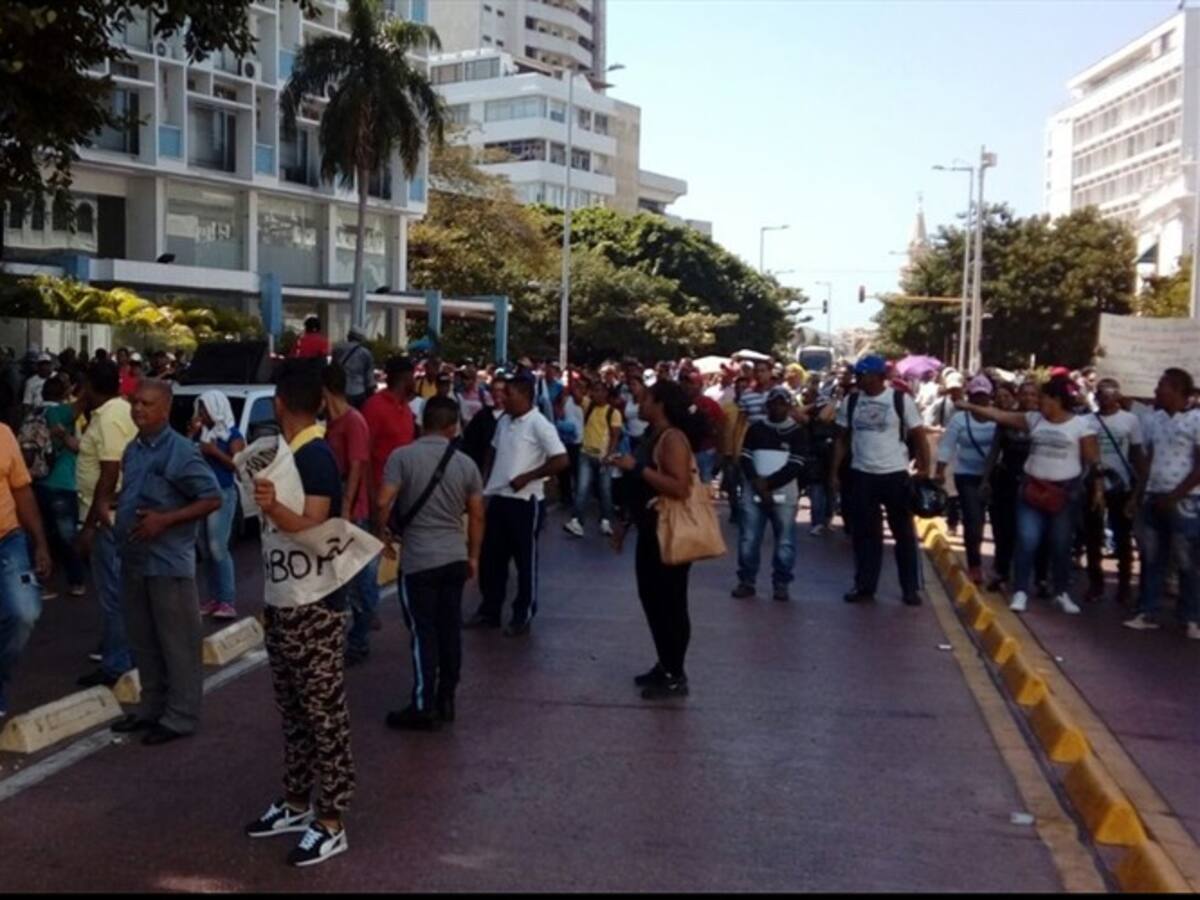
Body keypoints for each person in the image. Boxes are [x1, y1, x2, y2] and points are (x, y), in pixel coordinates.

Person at [245, 360, 355, 867]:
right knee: (293, 715)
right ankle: (294, 803)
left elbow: (315, 529)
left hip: (315, 607)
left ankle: (331, 822)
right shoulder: (289, 454)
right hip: (285, 601)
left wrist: (271, 507)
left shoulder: (315, 457)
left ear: (280, 403)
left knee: (323, 717)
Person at [111, 380, 221, 745]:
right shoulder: (134, 449)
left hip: (168, 563)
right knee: (143, 640)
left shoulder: (182, 452)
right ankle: (151, 708)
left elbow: (211, 497)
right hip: (135, 559)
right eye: (134, 402)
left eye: (146, 403)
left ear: (164, 409)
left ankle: (180, 716)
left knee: (178, 643)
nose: (138, 409)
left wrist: (165, 519)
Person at [377, 396, 484, 730]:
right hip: (454, 555)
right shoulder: (467, 464)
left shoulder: (402, 457)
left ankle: (423, 703)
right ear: (454, 427)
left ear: (422, 421)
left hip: (419, 559)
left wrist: (382, 536)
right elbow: (478, 514)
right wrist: (474, 555)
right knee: (450, 627)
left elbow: (383, 501)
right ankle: (447, 696)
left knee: (423, 632)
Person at [958, 375, 1103, 615]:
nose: (1038, 403)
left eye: (1043, 398)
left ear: (1057, 400)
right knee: (1027, 540)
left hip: (1064, 494)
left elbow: (1093, 461)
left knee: (1060, 544)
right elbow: (999, 415)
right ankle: (1021, 591)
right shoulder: (1034, 419)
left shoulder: (1081, 426)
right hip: (1032, 491)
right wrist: (969, 406)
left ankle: (1061, 592)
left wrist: (1097, 490)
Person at [608, 380, 705, 700]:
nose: (640, 402)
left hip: (669, 530)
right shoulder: (652, 436)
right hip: (650, 527)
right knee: (652, 597)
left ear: (660, 404)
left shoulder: (672, 438)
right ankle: (665, 663)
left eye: (647, 398)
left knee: (670, 601)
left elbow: (679, 487)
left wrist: (636, 467)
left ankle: (676, 672)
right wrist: (625, 521)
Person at [467, 375, 568, 636]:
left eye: (508, 394)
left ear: (524, 395)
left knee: (524, 561)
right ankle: (490, 610)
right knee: (492, 558)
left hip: (525, 501)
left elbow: (560, 459)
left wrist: (529, 476)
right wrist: (485, 480)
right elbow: (492, 450)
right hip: (499, 496)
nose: (502, 398)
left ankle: (523, 613)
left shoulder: (539, 424)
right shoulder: (504, 421)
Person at [832, 354, 929, 606]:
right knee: (865, 535)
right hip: (862, 475)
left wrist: (924, 470)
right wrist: (833, 473)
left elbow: (919, 436)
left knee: (903, 534)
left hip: (894, 474)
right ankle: (864, 585)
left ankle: (909, 588)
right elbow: (841, 439)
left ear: (877, 377)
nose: (858, 379)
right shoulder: (851, 401)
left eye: (863, 375)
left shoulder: (900, 400)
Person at [1123, 368, 1200, 638]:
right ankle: (1148, 611)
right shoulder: (1153, 420)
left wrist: (1176, 495)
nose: (1156, 391)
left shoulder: (1196, 420)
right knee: (1152, 557)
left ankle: (1191, 616)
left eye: (1162, 386)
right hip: (1154, 496)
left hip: (1185, 501)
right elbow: (1148, 461)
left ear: (1178, 390)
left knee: (1187, 560)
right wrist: (1138, 495)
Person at [75, 359, 138, 687]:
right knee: (120, 590)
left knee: (114, 593)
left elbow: (110, 472)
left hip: (108, 518)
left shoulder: (111, 416)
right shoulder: (111, 413)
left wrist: (90, 524)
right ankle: (123, 654)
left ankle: (117, 664)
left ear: (90, 385)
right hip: (111, 514)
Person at [322, 363, 379, 665]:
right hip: (340, 512)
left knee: (358, 581)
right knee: (341, 580)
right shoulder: (332, 423)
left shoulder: (352, 421)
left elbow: (357, 466)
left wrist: (345, 509)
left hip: (352, 513)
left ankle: (359, 638)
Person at [732, 387, 806, 602]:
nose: (777, 407)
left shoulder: (797, 432)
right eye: (773, 403)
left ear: (789, 406)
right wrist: (756, 481)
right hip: (754, 490)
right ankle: (746, 581)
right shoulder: (756, 429)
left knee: (785, 540)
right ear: (767, 406)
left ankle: (781, 583)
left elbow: (796, 464)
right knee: (749, 538)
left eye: (782, 403)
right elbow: (745, 457)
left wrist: (768, 484)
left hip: (784, 493)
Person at [0, 419, 52, 717]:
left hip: (8, 540)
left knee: (24, 613)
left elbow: (22, 491)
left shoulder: (4, 434)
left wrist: (41, 543)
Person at [1084, 378, 1144, 605]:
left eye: (1111, 392)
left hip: (1121, 486)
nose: (1106, 396)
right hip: (1093, 485)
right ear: (1096, 396)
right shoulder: (1087, 421)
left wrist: (1139, 488)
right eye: (1102, 392)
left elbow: (1137, 454)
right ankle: (1095, 583)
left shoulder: (1131, 421)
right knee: (1093, 536)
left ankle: (1124, 585)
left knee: (1122, 536)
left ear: (1118, 395)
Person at [934, 375, 998, 584]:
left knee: (1001, 522)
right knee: (973, 519)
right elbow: (947, 445)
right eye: (976, 396)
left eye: (984, 396)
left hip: (996, 475)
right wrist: (940, 470)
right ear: (970, 397)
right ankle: (975, 564)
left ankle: (1002, 564)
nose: (980, 400)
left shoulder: (998, 416)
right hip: (967, 475)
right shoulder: (960, 419)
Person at [188, 390, 245, 620]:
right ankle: (213, 597)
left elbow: (239, 466)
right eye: (200, 408)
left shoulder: (232, 435)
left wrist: (213, 452)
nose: (202, 413)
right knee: (203, 546)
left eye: (205, 408)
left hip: (222, 493)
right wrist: (192, 435)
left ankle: (227, 599)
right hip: (200, 495)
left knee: (217, 546)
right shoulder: (201, 434)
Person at [981, 381, 1038, 591]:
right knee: (1003, 529)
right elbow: (994, 451)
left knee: (1029, 532)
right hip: (1006, 480)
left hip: (1035, 482)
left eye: (1033, 394)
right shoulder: (1007, 421)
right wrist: (985, 480)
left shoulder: (1045, 420)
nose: (1029, 399)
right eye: (1024, 394)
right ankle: (1001, 570)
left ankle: (1036, 576)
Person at [34, 377, 87, 597]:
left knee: (44, 535)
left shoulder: (34, 413)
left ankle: (44, 581)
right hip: (62, 481)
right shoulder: (58, 413)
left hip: (40, 480)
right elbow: (82, 404)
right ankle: (76, 580)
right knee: (67, 536)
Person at [564, 380, 623, 538]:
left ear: (606, 393)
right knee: (582, 489)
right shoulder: (588, 406)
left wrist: (609, 455)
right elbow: (575, 395)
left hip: (603, 456)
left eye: (599, 391)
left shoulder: (613, 412)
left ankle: (605, 520)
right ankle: (577, 521)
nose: (596, 394)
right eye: (594, 391)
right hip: (586, 453)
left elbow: (615, 436)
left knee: (605, 490)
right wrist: (573, 377)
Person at [362, 356, 417, 505]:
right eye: (413, 377)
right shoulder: (374, 406)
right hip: (381, 492)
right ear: (405, 378)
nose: (415, 381)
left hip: (404, 493)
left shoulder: (406, 407)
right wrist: (372, 497)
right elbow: (364, 455)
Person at [461, 373, 508, 475]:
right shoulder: (482, 415)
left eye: (501, 390)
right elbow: (469, 442)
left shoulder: (512, 416)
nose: (498, 394)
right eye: (495, 390)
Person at [685, 372, 725, 485]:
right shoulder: (680, 403)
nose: (689, 386)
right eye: (687, 383)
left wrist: (720, 452)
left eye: (692, 383)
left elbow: (720, 428)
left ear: (700, 385)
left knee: (705, 483)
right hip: (687, 451)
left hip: (707, 451)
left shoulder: (710, 404)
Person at [332, 330, 375, 409]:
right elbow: (369, 377)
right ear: (361, 339)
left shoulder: (338, 349)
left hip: (341, 390)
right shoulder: (365, 353)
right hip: (358, 391)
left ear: (348, 337)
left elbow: (333, 368)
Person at [21, 353, 53, 417]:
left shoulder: (56, 377)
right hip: (37, 414)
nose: (44, 367)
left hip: (54, 412)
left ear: (50, 365)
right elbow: (27, 403)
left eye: (47, 364)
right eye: (42, 364)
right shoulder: (30, 382)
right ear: (37, 366)